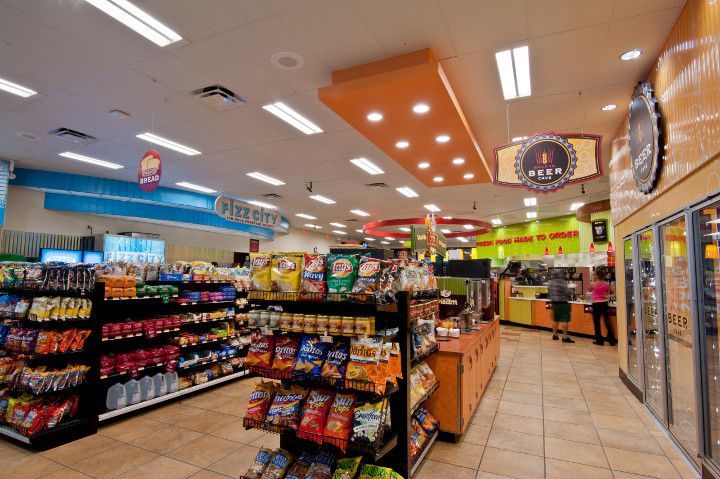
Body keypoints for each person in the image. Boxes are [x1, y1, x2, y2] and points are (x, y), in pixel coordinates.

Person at [589, 268, 617, 346]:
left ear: (597, 275)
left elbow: (589, 290)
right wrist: (608, 296)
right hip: (604, 304)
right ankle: (612, 340)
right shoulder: (607, 284)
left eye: (594, 274)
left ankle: (599, 340)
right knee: (607, 322)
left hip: (596, 304)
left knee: (597, 323)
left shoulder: (593, 284)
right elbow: (615, 293)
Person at [548, 269, 574, 343]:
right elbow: (567, 292)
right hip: (563, 303)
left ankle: (555, 335)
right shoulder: (561, 282)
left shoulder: (551, 283)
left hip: (554, 303)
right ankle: (565, 337)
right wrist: (572, 290)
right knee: (564, 320)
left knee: (554, 320)